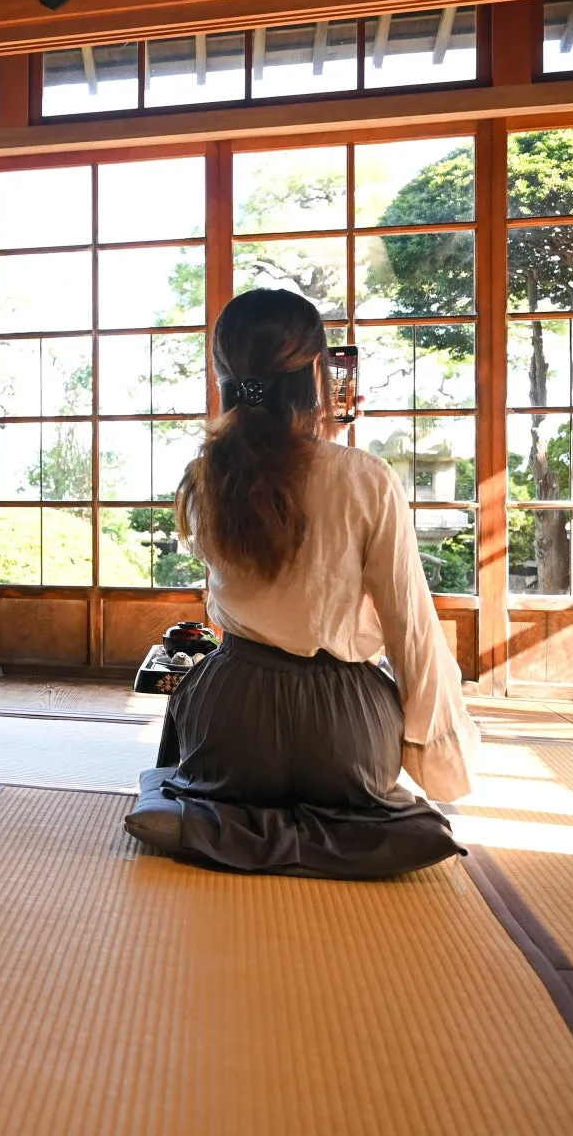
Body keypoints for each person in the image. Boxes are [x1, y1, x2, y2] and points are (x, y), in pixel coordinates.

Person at [139, 288, 480, 878]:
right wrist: (441, 756)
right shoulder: (367, 478)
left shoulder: (204, 477)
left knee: (180, 768)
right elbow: (411, 627)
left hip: (233, 720)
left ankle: (210, 818)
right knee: (401, 814)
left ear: (225, 375)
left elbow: (244, 559)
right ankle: (362, 829)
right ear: (317, 373)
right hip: (344, 729)